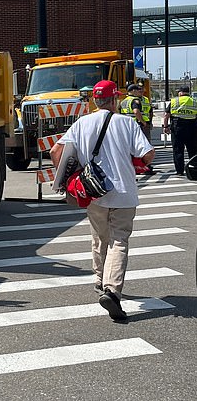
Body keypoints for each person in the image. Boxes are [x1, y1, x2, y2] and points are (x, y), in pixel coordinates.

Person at [50, 80, 154, 321]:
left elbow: (56, 151)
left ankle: (99, 279)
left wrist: (67, 180)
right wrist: (138, 164)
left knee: (99, 235)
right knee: (119, 240)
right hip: (124, 193)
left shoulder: (82, 123)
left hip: (93, 191)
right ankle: (112, 290)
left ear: (95, 100)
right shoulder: (127, 123)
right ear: (115, 99)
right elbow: (147, 154)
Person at [120, 83, 154, 174]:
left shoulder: (124, 101)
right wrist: (143, 122)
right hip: (138, 126)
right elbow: (136, 111)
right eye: (138, 90)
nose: (140, 91)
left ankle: (133, 168)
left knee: (131, 148)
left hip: (127, 127)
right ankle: (144, 167)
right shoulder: (135, 100)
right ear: (133, 91)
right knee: (144, 147)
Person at [163, 86, 197, 176]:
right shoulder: (194, 101)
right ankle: (194, 170)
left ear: (181, 92)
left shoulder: (174, 101)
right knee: (193, 150)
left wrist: (166, 126)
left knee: (178, 150)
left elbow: (166, 115)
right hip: (192, 128)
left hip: (177, 128)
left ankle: (179, 171)